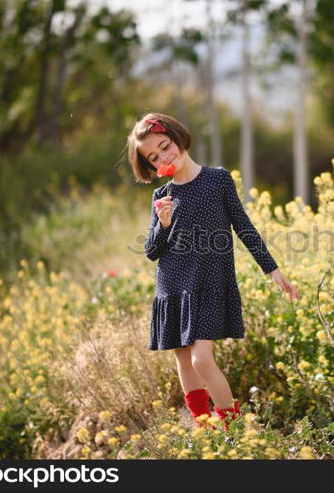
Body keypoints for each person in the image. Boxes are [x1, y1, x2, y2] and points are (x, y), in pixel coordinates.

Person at [126, 113, 299, 430]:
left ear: (177, 139)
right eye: (154, 157)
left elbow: (244, 227)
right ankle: (203, 427)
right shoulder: (161, 196)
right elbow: (152, 251)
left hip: (209, 284)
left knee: (201, 358)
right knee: (183, 358)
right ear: (150, 166)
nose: (165, 157)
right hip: (173, 285)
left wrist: (271, 269)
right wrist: (163, 224)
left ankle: (232, 430)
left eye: (165, 146)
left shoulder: (217, 180)